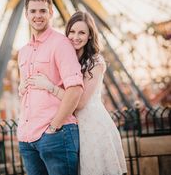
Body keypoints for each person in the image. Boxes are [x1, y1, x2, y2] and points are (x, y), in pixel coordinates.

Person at [27, 10, 127, 175]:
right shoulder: (67, 58)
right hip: (72, 126)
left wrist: (49, 86)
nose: (76, 36)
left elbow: (79, 103)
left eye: (82, 32)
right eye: (72, 32)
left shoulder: (95, 62)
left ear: (89, 36)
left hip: (92, 126)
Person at [17, 0, 84, 175]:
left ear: (51, 12)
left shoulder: (61, 44)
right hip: (27, 137)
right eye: (33, 11)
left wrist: (54, 126)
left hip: (56, 134)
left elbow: (75, 89)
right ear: (26, 14)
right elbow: (26, 90)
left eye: (42, 11)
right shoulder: (22, 52)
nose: (37, 16)